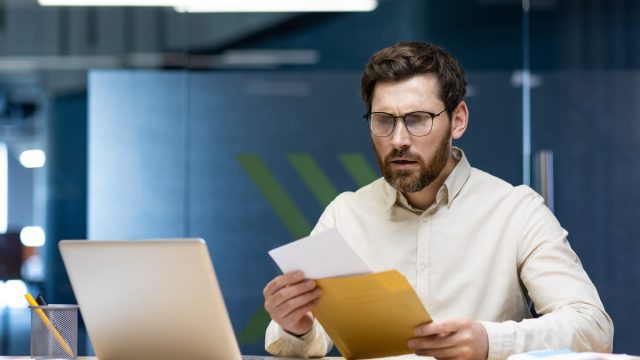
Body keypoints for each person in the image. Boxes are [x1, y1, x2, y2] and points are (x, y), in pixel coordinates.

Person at [262, 41, 613, 360]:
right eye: (384, 120)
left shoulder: (517, 211)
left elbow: (593, 327)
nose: (398, 139)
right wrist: (296, 325)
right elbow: (306, 345)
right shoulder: (346, 215)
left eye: (417, 120)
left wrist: (489, 341)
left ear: (457, 119)